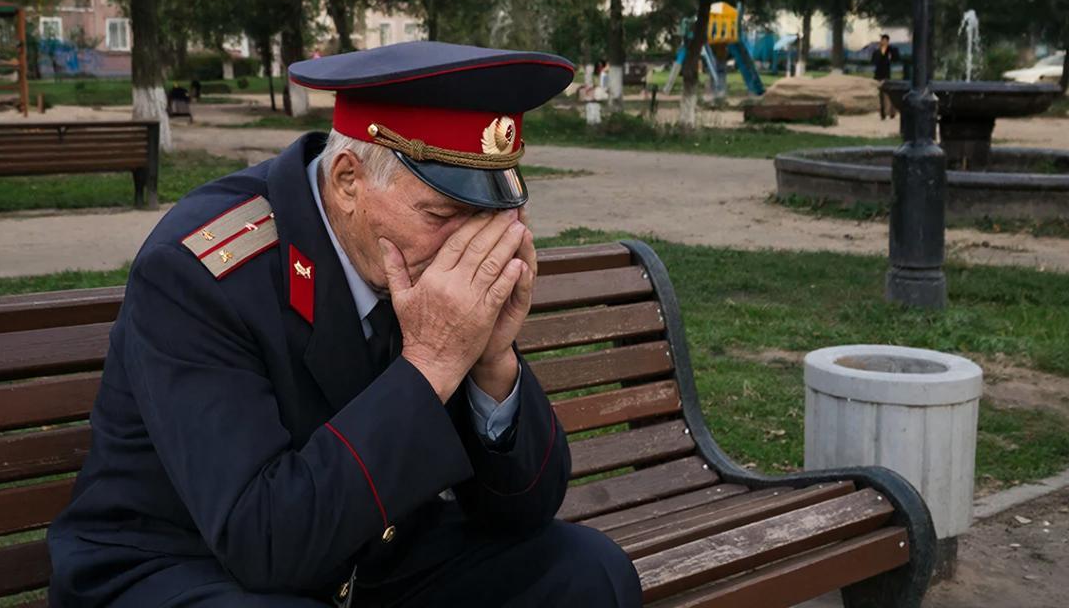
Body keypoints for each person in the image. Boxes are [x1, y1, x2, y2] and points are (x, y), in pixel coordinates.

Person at [47, 41, 643, 607]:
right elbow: (263, 541)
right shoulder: (199, 273)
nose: (469, 247)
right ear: (348, 181)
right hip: (181, 565)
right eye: (442, 214)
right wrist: (431, 364)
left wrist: (492, 360)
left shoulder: (417, 261)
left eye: (487, 218)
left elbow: (523, 510)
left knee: (586, 572)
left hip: (362, 551)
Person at [871, 34, 902, 119]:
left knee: (890, 94)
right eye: (882, 40)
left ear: (888, 41)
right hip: (879, 75)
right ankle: (883, 113)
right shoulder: (877, 51)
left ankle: (891, 112)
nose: (883, 42)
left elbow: (896, 59)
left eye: (885, 41)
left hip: (889, 75)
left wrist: (891, 56)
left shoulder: (892, 50)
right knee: (881, 94)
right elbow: (874, 61)